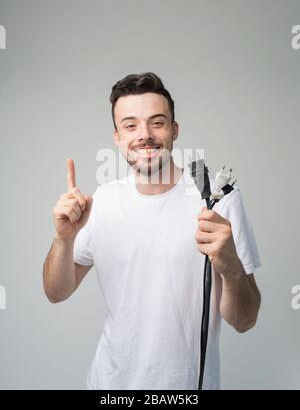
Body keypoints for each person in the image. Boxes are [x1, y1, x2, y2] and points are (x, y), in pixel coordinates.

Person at [43, 72, 261, 390]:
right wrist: (63, 239)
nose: (144, 135)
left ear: (174, 130)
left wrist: (231, 268)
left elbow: (245, 320)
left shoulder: (217, 200)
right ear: (117, 137)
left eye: (157, 122)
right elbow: (56, 292)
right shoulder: (102, 201)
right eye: (130, 125)